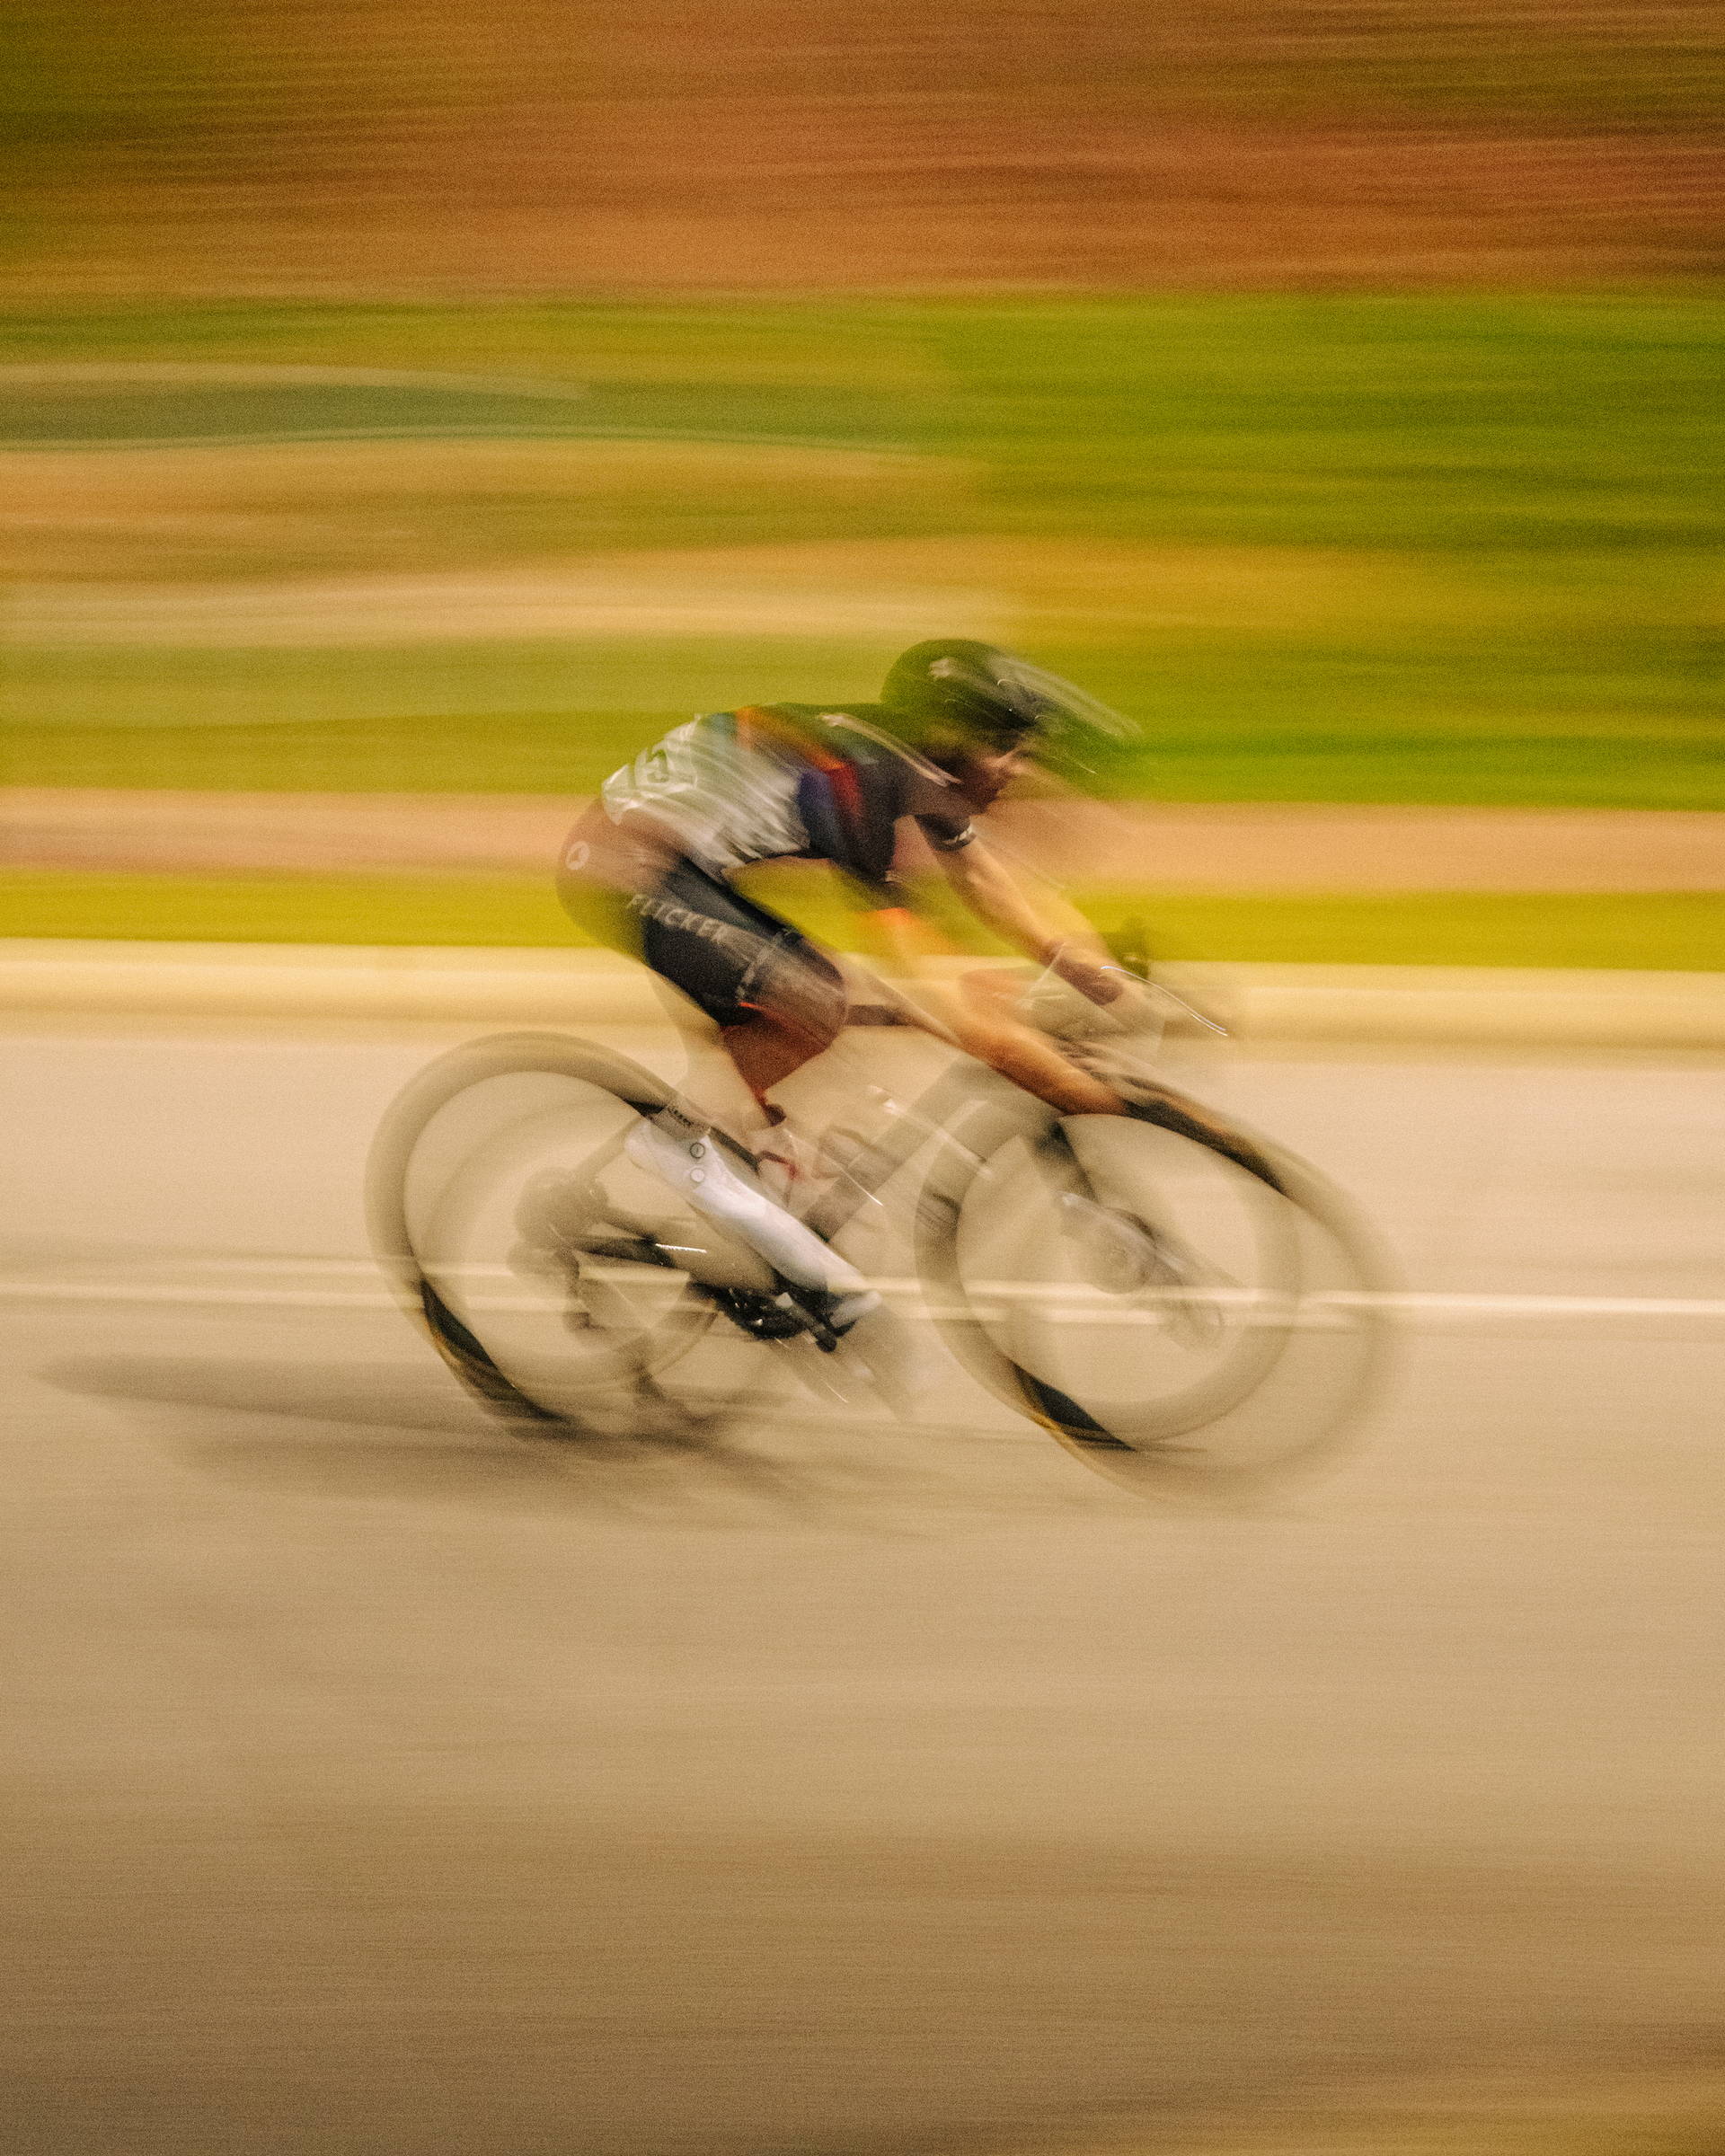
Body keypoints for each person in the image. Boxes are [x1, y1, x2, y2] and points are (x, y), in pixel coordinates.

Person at [557, 639, 1145, 1335]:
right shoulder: (858, 779)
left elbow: (988, 884)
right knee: (819, 997)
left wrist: (1097, 976)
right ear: (952, 739)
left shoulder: (917, 770)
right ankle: (677, 1148)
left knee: (837, 1019)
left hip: (687, 862)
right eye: (1007, 748)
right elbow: (929, 984)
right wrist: (1066, 1079)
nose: (1021, 768)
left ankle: (752, 1201)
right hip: (630, 863)